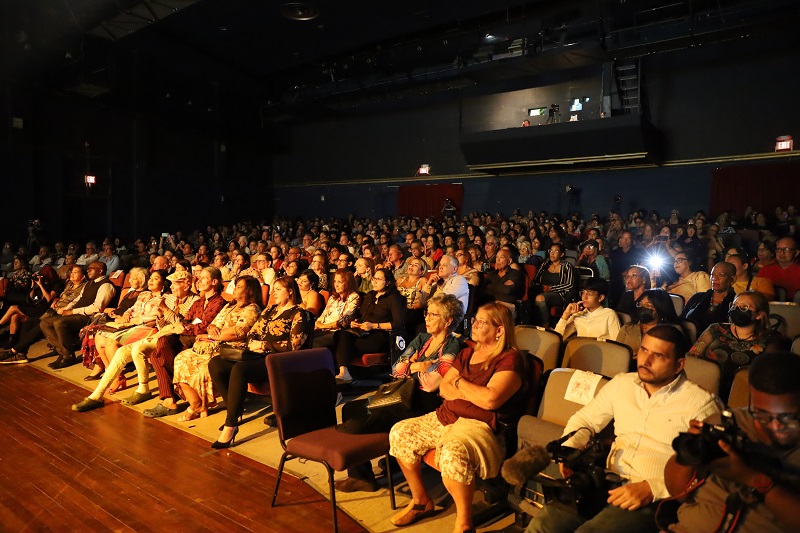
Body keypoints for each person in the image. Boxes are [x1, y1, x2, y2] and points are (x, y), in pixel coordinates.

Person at [525, 326, 719, 533]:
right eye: (644, 350)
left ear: (679, 364)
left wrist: (652, 488)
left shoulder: (701, 404)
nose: (646, 360)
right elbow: (586, 419)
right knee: (541, 526)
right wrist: (570, 448)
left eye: (659, 356)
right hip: (604, 479)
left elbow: (710, 470)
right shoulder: (622, 384)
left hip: (654, 497)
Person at [389, 303, 525, 533]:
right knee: (400, 432)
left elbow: (491, 400)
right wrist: (472, 393)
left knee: (453, 452)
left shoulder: (510, 359)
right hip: (448, 415)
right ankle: (421, 501)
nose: (474, 324)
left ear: (499, 330)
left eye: (482, 322)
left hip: (480, 424)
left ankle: (464, 523)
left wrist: (461, 383)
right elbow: (443, 388)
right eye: (475, 320)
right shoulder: (468, 352)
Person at [335, 293, 465, 493]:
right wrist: (421, 365)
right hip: (403, 391)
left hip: (425, 401)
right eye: (427, 313)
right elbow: (396, 368)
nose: (427, 318)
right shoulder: (422, 338)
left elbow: (431, 384)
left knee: (358, 422)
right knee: (349, 409)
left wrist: (411, 365)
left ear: (448, 321)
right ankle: (364, 475)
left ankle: (389, 460)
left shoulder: (453, 346)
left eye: (433, 315)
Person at [665, 352, 800, 533]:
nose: (776, 426)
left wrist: (751, 479)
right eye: (762, 414)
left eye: (788, 417)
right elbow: (678, 492)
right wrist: (687, 455)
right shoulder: (726, 423)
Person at [208, 276, 312, 449]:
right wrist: (254, 344)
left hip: (281, 360)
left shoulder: (301, 314)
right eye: (273, 289)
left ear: (291, 291)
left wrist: (263, 345)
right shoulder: (270, 310)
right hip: (258, 356)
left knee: (240, 370)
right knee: (216, 364)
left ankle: (231, 425)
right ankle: (235, 409)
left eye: (278, 289)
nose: (273, 293)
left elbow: (294, 345)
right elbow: (251, 333)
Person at [172, 276, 261, 421]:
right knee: (181, 358)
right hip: (213, 344)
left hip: (230, 348)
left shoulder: (252, 309)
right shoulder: (229, 306)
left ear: (249, 291)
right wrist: (212, 329)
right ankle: (197, 403)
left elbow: (238, 332)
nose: (234, 289)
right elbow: (213, 324)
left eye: (239, 287)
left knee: (202, 367)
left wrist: (211, 336)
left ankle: (197, 405)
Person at [142, 267, 225, 418]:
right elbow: (186, 321)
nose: (199, 280)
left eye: (203, 277)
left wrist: (184, 327)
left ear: (214, 282)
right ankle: (169, 399)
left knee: (160, 350)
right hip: (187, 336)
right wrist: (179, 324)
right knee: (158, 352)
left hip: (202, 339)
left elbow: (203, 326)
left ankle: (169, 400)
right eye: (199, 278)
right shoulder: (199, 303)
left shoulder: (218, 302)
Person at [688, 290, 782, 401]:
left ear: (759, 315)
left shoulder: (771, 339)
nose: (736, 310)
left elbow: (769, 375)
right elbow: (692, 358)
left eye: (744, 307)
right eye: (734, 306)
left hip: (745, 395)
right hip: (705, 391)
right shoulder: (716, 329)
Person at [89, 270, 167, 390]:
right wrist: (126, 314)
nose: (151, 280)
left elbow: (153, 318)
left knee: (111, 342)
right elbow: (131, 308)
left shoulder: (164, 298)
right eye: (150, 278)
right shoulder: (144, 294)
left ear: (163, 283)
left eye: (155, 278)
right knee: (99, 337)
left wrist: (132, 321)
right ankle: (115, 375)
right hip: (133, 324)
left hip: (148, 328)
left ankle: (117, 378)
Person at [332, 268, 405, 383]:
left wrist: (374, 326)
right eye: (374, 278)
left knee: (343, 343)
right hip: (363, 332)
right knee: (339, 335)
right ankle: (343, 372)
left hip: (381, 335)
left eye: (378, 279)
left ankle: (345, 373)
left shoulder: (394, 298)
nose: (374, 281)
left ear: (388, 282)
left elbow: (398, 323)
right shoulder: (370, 295)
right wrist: (355, 322)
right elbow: (361, 316)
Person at [0, 265, 86, 364]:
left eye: (76, 272)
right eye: (72, 272)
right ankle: (21, 354)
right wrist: (55, 300)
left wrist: (64, 307)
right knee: (29, 322)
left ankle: (14, 351)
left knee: (39, 325)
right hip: (52, 309)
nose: (72, 274)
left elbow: (76, 302)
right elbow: (39, 298)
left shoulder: (84, 287)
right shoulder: (68, 284)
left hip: (63, 312)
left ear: (83, 276)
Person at [38, 261, 116, 369]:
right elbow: (77, 300)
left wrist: (72, 311)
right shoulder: (89, 284)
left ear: (100, 271)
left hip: (89, 317)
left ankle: (68, 355)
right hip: (76, 312)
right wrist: (66, 308)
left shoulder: (106, 285)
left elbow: (97, 308)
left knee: (59, 322)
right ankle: (64, 353)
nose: (88, 270)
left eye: (91, 268)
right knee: (45, 323)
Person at [0, 265, 60, 348]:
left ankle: (0, 324)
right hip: (35, 306)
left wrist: (41, 286)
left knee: (13, 308)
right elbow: (31, 298)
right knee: (14, 316)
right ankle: (12, 341)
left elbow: (49, 298)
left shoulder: (56, 284)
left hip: (44, 309)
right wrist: (33, 286)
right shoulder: (40, 284)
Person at [616, 288, 681, 354]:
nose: (642, 307)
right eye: (640, 304)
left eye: (648, 305)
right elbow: (616, 353)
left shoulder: (671, 332)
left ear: (661, 309)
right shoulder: (628, 328)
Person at [555, 278, 620, 341]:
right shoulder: (579, 315)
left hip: (602, 350)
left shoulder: (609, 314)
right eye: (583, 293)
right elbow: (558, 338)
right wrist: (566, 314)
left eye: (590, 294)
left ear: (601, 297)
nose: (584, 297)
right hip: (582, 350)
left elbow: (617, 343)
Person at [681, 262, 736, 334]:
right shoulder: (698, 297)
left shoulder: (735, 303)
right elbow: (682, 319)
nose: (714, 278)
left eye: (721, 275)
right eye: (712, 275)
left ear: (733, 279)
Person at [312, 269, 361, 350]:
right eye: (335, 281)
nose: (336, 285)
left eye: (340, 282)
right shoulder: (333, 298)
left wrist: (323, 326)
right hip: (322, 329)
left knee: (313, 343)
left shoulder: (354, 297)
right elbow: (323, 315)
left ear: (348, 283)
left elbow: (344, 321)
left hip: (337, 332)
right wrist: (317, 323)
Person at [532, 243, 576, 326]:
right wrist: (540, 287)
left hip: (559, 294)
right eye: (551, 251)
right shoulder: (545, 265)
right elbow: (535, 281)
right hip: (542, 291)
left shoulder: (566, 266)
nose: (552, 253)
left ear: (561, 254)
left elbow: (569, 284)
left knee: (540, 298)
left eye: (556, 251)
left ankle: (545, 326)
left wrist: (551, 288)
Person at [483, 248, 525, 318]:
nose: (498, 260)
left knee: (495, 316)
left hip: (507, 306)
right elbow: (484, 290)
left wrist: (492, 287)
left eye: (501, 257)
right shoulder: (491, 274)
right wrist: (502, 286)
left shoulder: (515, 274)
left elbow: (508, 290)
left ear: (509, 261)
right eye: (496, 257)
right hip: (492, 305)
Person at [395, 257, 431, 336]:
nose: (411, 266)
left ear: (421, 271)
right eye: (411, 264)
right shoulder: (400, 280)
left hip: (413, 312)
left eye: (415, 265)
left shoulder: (422, 280)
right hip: (398, 310)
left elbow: (425, 300)